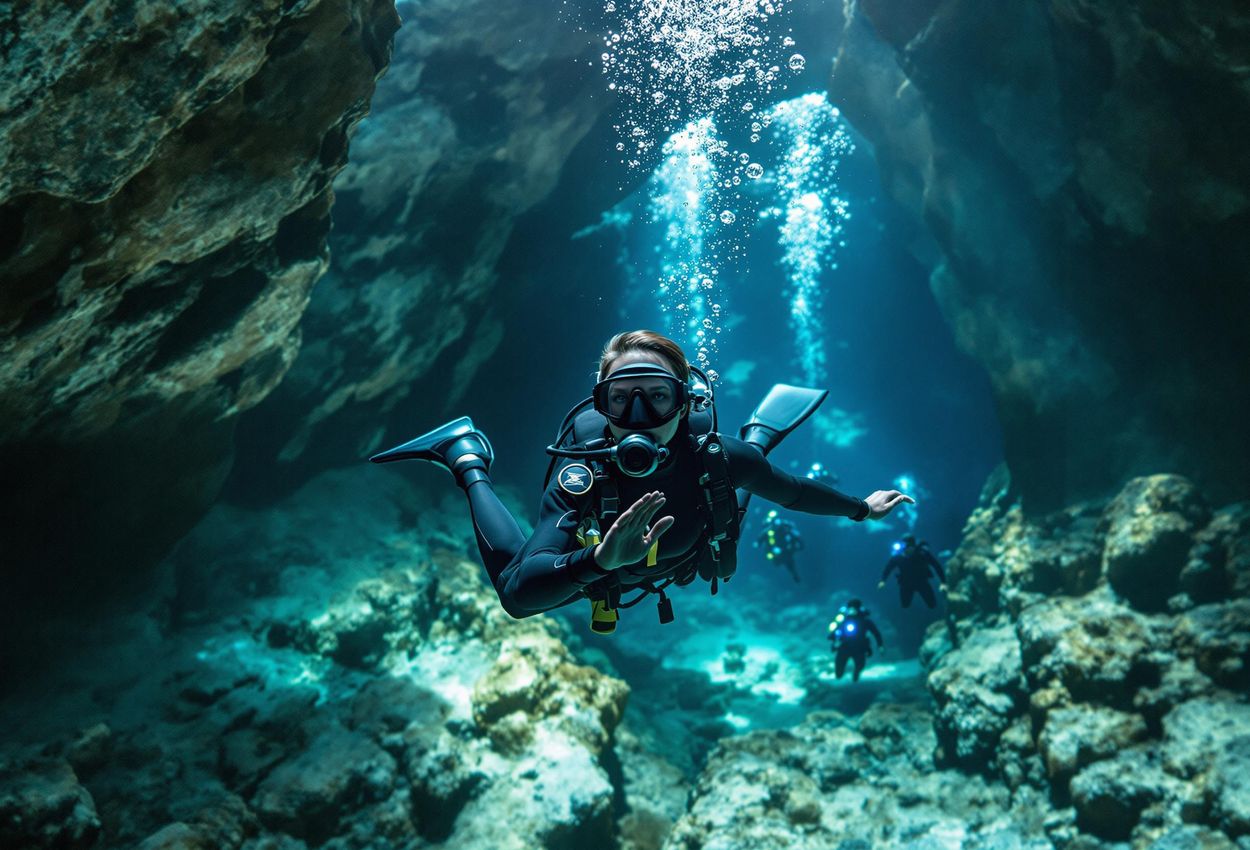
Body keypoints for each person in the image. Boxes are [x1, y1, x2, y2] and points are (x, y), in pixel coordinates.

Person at [370, 330, 914, 631]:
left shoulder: (713, 456)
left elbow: (793, 492)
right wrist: (598, 561)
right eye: (619, 399)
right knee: (518, 587)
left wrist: (862, 509)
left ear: (686, 402)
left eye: (657, 396)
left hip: (700, 525)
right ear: (600, 406)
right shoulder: (584, 469)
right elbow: (519, 594)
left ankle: (757, 440)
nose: (637, 416)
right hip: (608, 571)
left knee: (739, 474)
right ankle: (466, 459)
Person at [878, 533, 947, 609]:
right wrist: (883, 580)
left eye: (910, 546)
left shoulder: (922, 553)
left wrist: (943, 582)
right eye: (905, 546)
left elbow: (936, 566)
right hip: (906, 583)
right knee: (905, 605)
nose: (907, 549)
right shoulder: (897, 556)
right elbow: (888, 568)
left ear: (914, 546)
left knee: (932, 605)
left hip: (922, 581)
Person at [827, 599, 883, 682]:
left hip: (860, 648)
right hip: (844, 647)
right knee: (838, 671)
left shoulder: (865, 621)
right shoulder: (842, 620)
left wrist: (880, 645)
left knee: (859, 666)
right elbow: (832, 634)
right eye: (850, 609)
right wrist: (835, 642)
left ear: (858, 609)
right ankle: (840, 676)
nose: (851, 611)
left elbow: (876, 633)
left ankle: (855, 676)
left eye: (853, 609)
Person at [754, 508, 804, 583]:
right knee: (781, 565)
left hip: (786, 552)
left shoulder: (785, 528)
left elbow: (797, 538)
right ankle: (787, 578)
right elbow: (759, 541)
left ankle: (794, 578)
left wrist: (797, 546)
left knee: (789, 566)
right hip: (778, 554)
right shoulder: (768, 531)